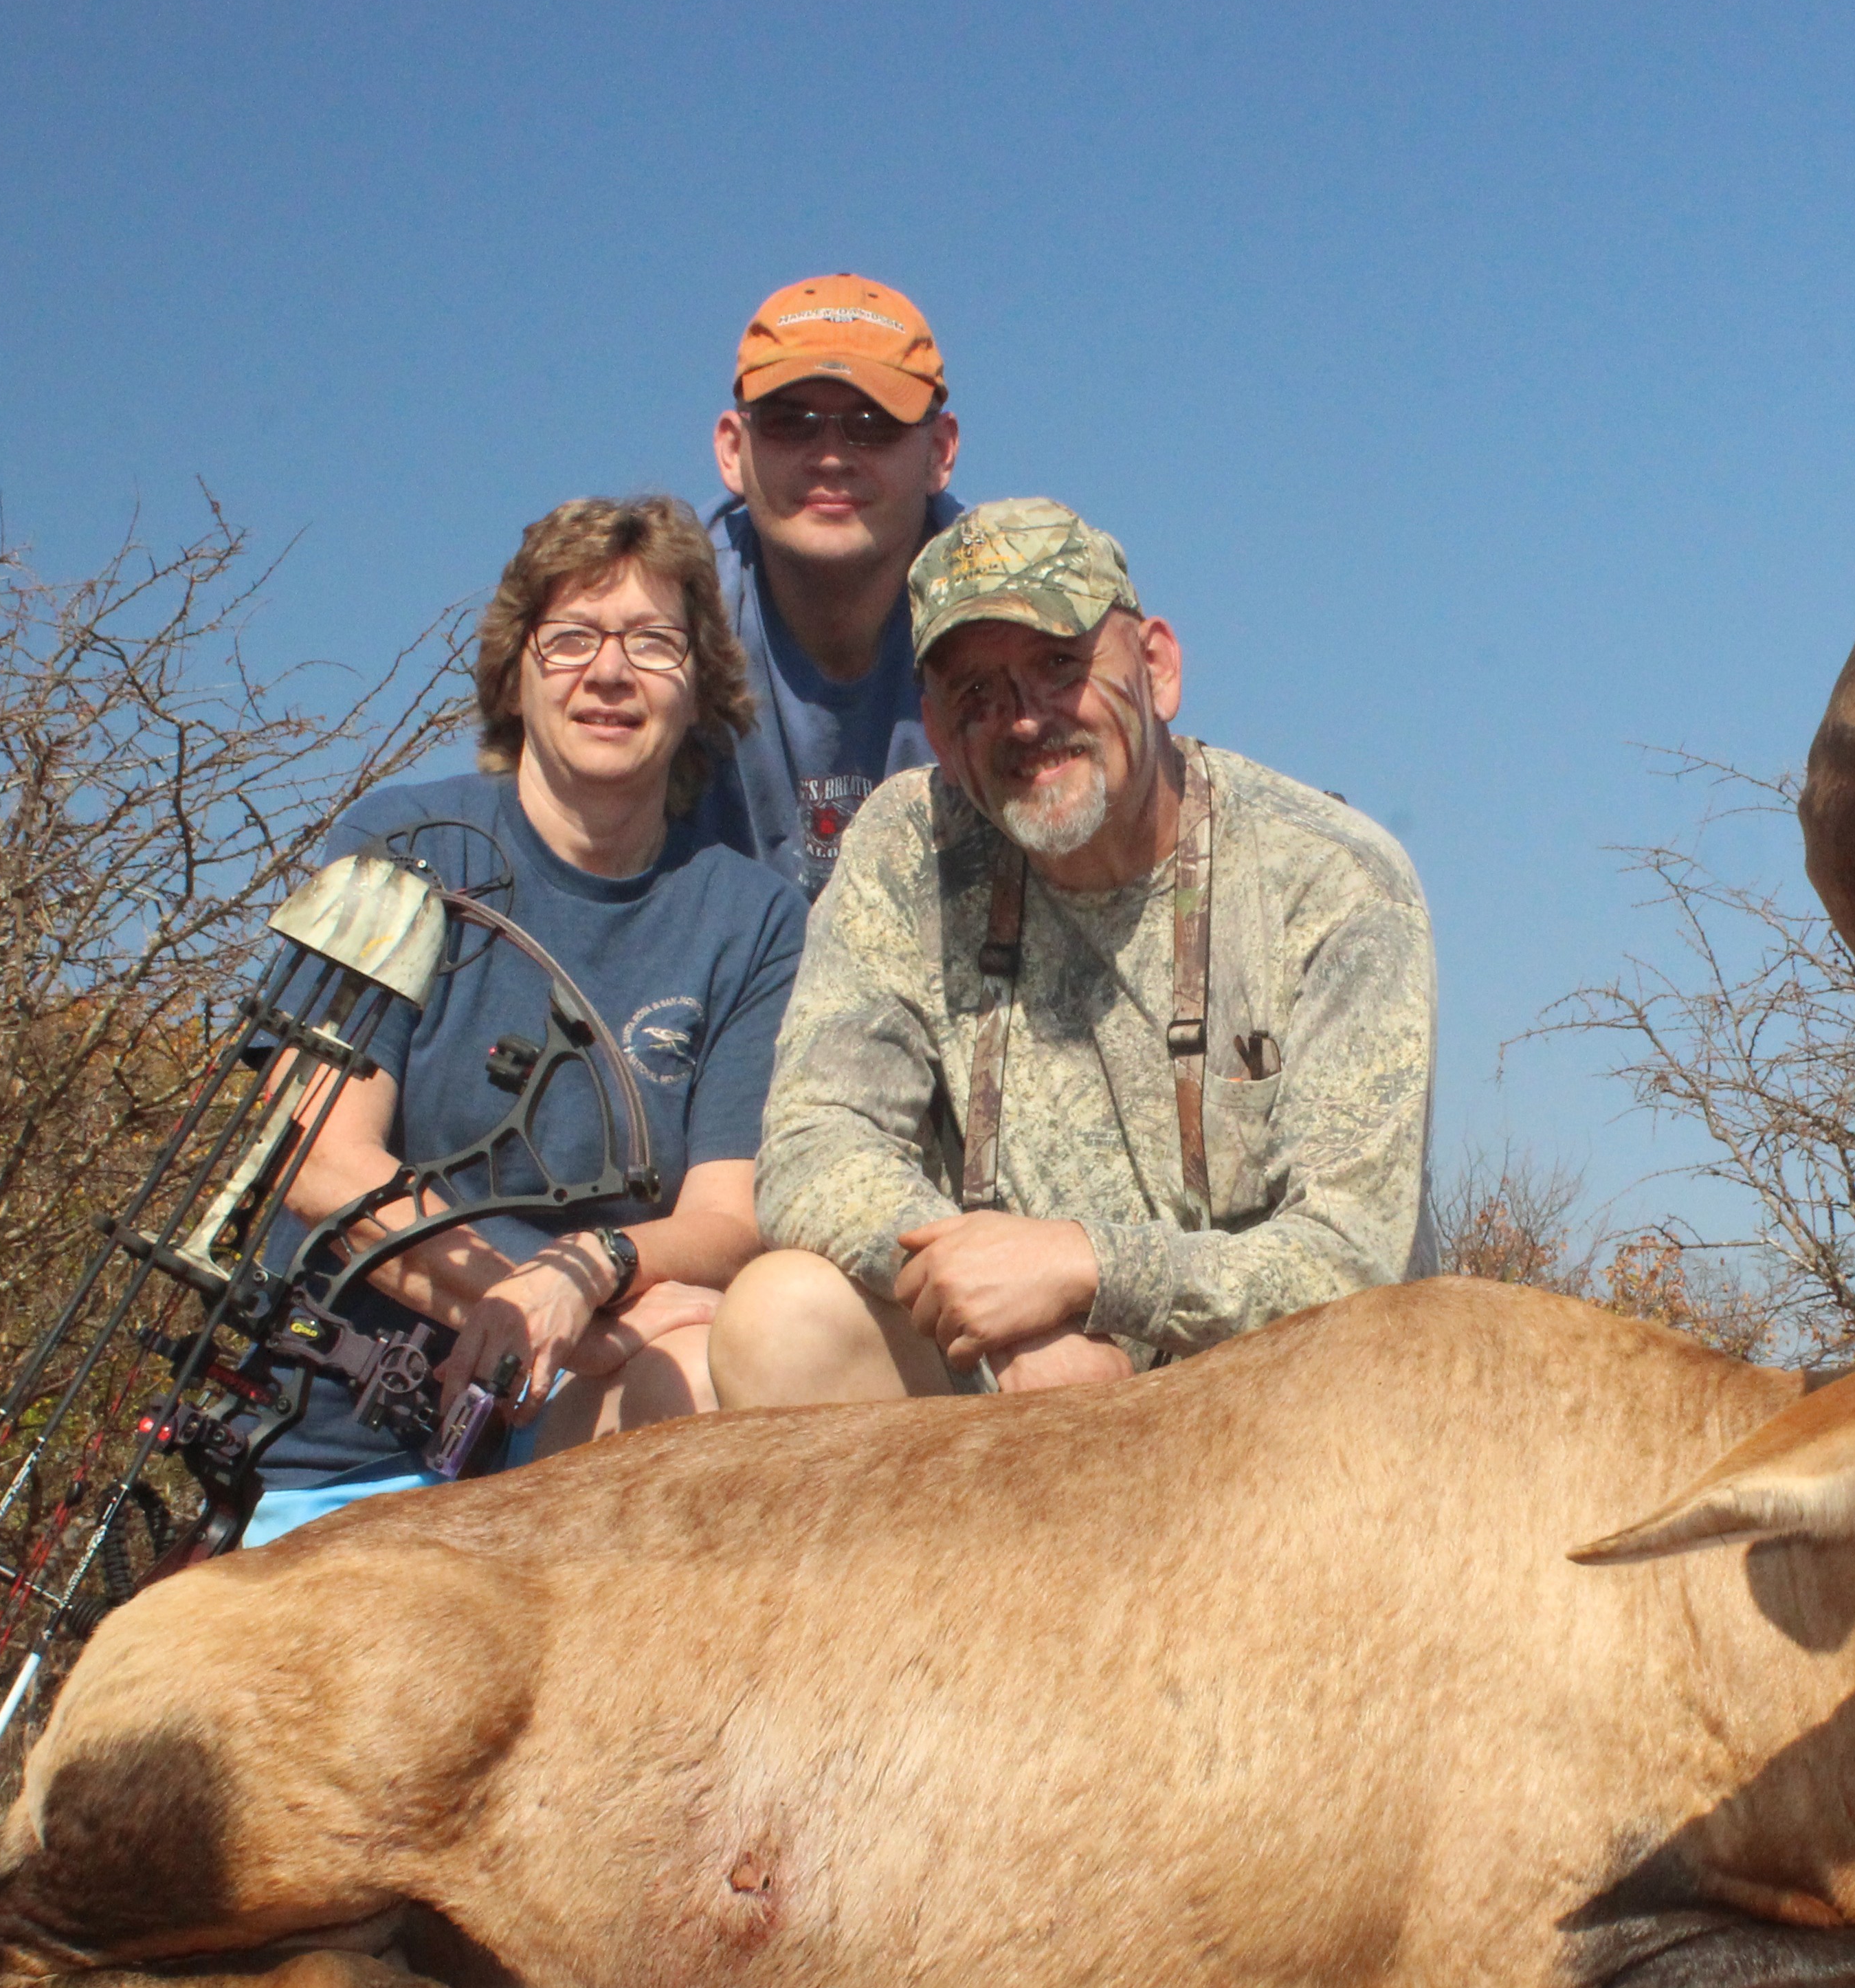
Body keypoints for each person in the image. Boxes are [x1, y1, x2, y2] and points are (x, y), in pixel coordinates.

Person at [708, 497, 1434, 1406]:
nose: (1023, 719)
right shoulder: (907, 845)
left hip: (1273, 1417)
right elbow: (816, 1146)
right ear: (937, 731)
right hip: (1015, 1395)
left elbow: (1350, 1259)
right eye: (977, 691)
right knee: (784, 1320)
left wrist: (1087, 1269)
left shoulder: (1334, 876)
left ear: (1159, 668)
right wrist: (1001, 1316)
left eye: (1061, 665)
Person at [243, 496, 805, 1545]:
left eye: (653, 642)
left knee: (716, 1362)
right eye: (572, 639)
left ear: (702, 690)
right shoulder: (401, 843)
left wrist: (586, 1273)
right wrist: (543, 1301)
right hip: (341, 1450)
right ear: (516, 672)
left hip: (564, 1433)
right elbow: (319, 1157)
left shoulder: (756, 915)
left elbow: (727, 1220)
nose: (609, 673)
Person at [700, 274, 965, 903]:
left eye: (873, 424)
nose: (830, 456)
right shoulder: (659, 617)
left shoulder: (1015, 618)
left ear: (939, 452)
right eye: (792, 423)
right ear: (733, 450)